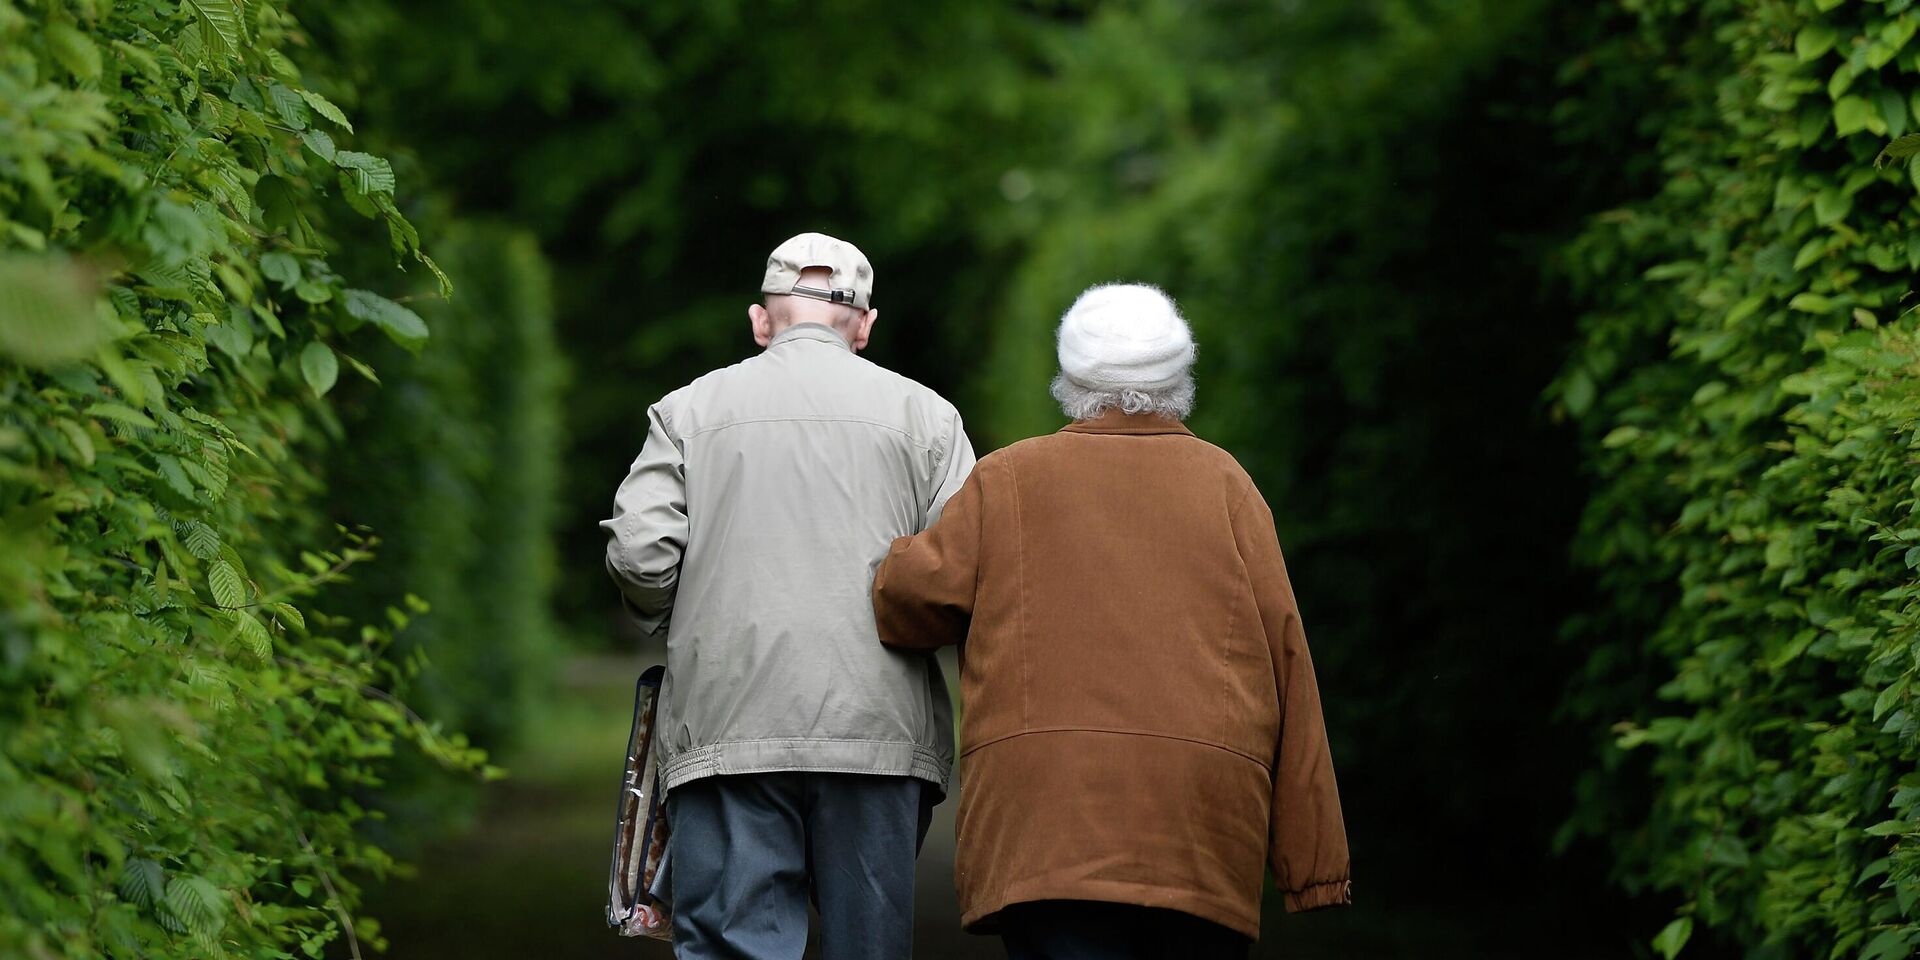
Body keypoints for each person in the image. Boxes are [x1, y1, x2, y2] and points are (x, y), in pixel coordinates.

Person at [870, 282, 1350, 959]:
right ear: (1181, 374)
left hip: (1049, 825)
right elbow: (1288, 661)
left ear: (1070, 378)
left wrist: (887, 546)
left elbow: (907, 608)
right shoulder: (1228, 485)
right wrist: (1312, 859)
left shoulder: (1008, 479)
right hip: (1201, 826)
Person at [602, 232, 974, 960]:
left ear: (761, 320)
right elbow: (962, 573)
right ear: (864, 325)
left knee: (736, 947)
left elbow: (641, 555)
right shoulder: (929, 418)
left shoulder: (686, 411)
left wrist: (682, 619)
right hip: (879, 731)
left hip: (727, 722)